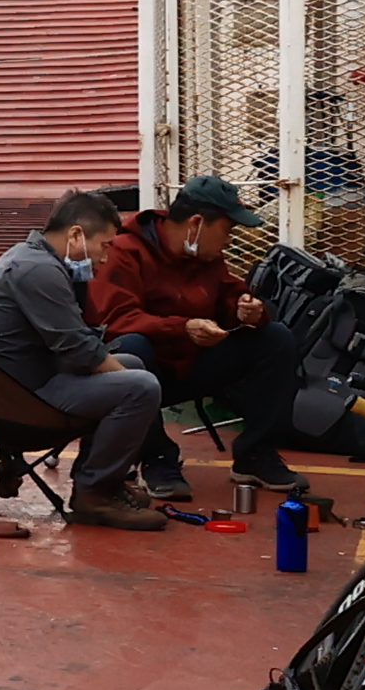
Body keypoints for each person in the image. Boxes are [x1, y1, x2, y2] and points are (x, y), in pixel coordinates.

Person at [0, 188, 170, 529]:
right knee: (141, 387)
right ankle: (95, 494)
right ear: (76, 235)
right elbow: (79, 349)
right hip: (22, 401)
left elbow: (79, 340)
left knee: (133, 368)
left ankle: (101, 478)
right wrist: (119, 376)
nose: (106, 257)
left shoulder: (32, 257)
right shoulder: (37, 270)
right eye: (105, 245)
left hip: (22, 384)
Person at [89, 175, 290, 499]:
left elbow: (230, 296)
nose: (229, 241)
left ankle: (256, 454)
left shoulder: (207, 257)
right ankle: (156, 458)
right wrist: (182, 327)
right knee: (131, 347)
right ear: (196, 224)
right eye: (227, 230)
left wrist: (247, 311)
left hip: (193, 366)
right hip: (143, 375)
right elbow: (115, 322)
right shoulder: (124, 251)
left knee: (275, 337)